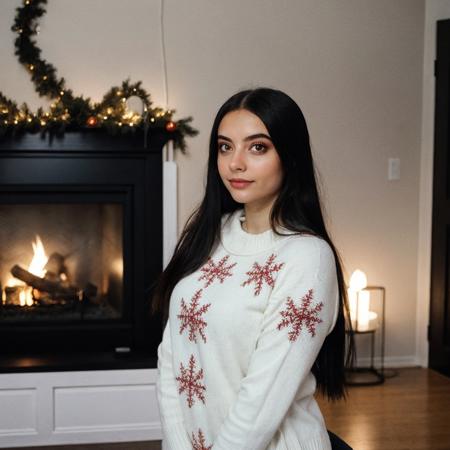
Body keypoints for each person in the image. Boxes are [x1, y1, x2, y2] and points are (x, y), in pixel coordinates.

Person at [152, 87, 354, 450]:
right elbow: (171, 356)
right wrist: (177, 443)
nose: (235, 163)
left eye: (257, 147)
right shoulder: (206, 236)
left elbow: (264, 398)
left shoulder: (307, 259)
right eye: (225, 146)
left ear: (289, 157)